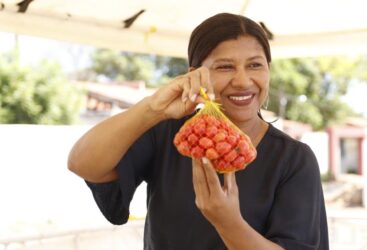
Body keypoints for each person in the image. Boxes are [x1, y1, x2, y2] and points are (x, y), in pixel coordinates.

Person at [68, 13, 329, 250]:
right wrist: (153, 108)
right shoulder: (170, 133)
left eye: (255, 65)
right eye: (225, 67)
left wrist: (228, 223)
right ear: (194, 75)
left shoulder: (294, 159)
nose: (242, 81)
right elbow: (82, 163)